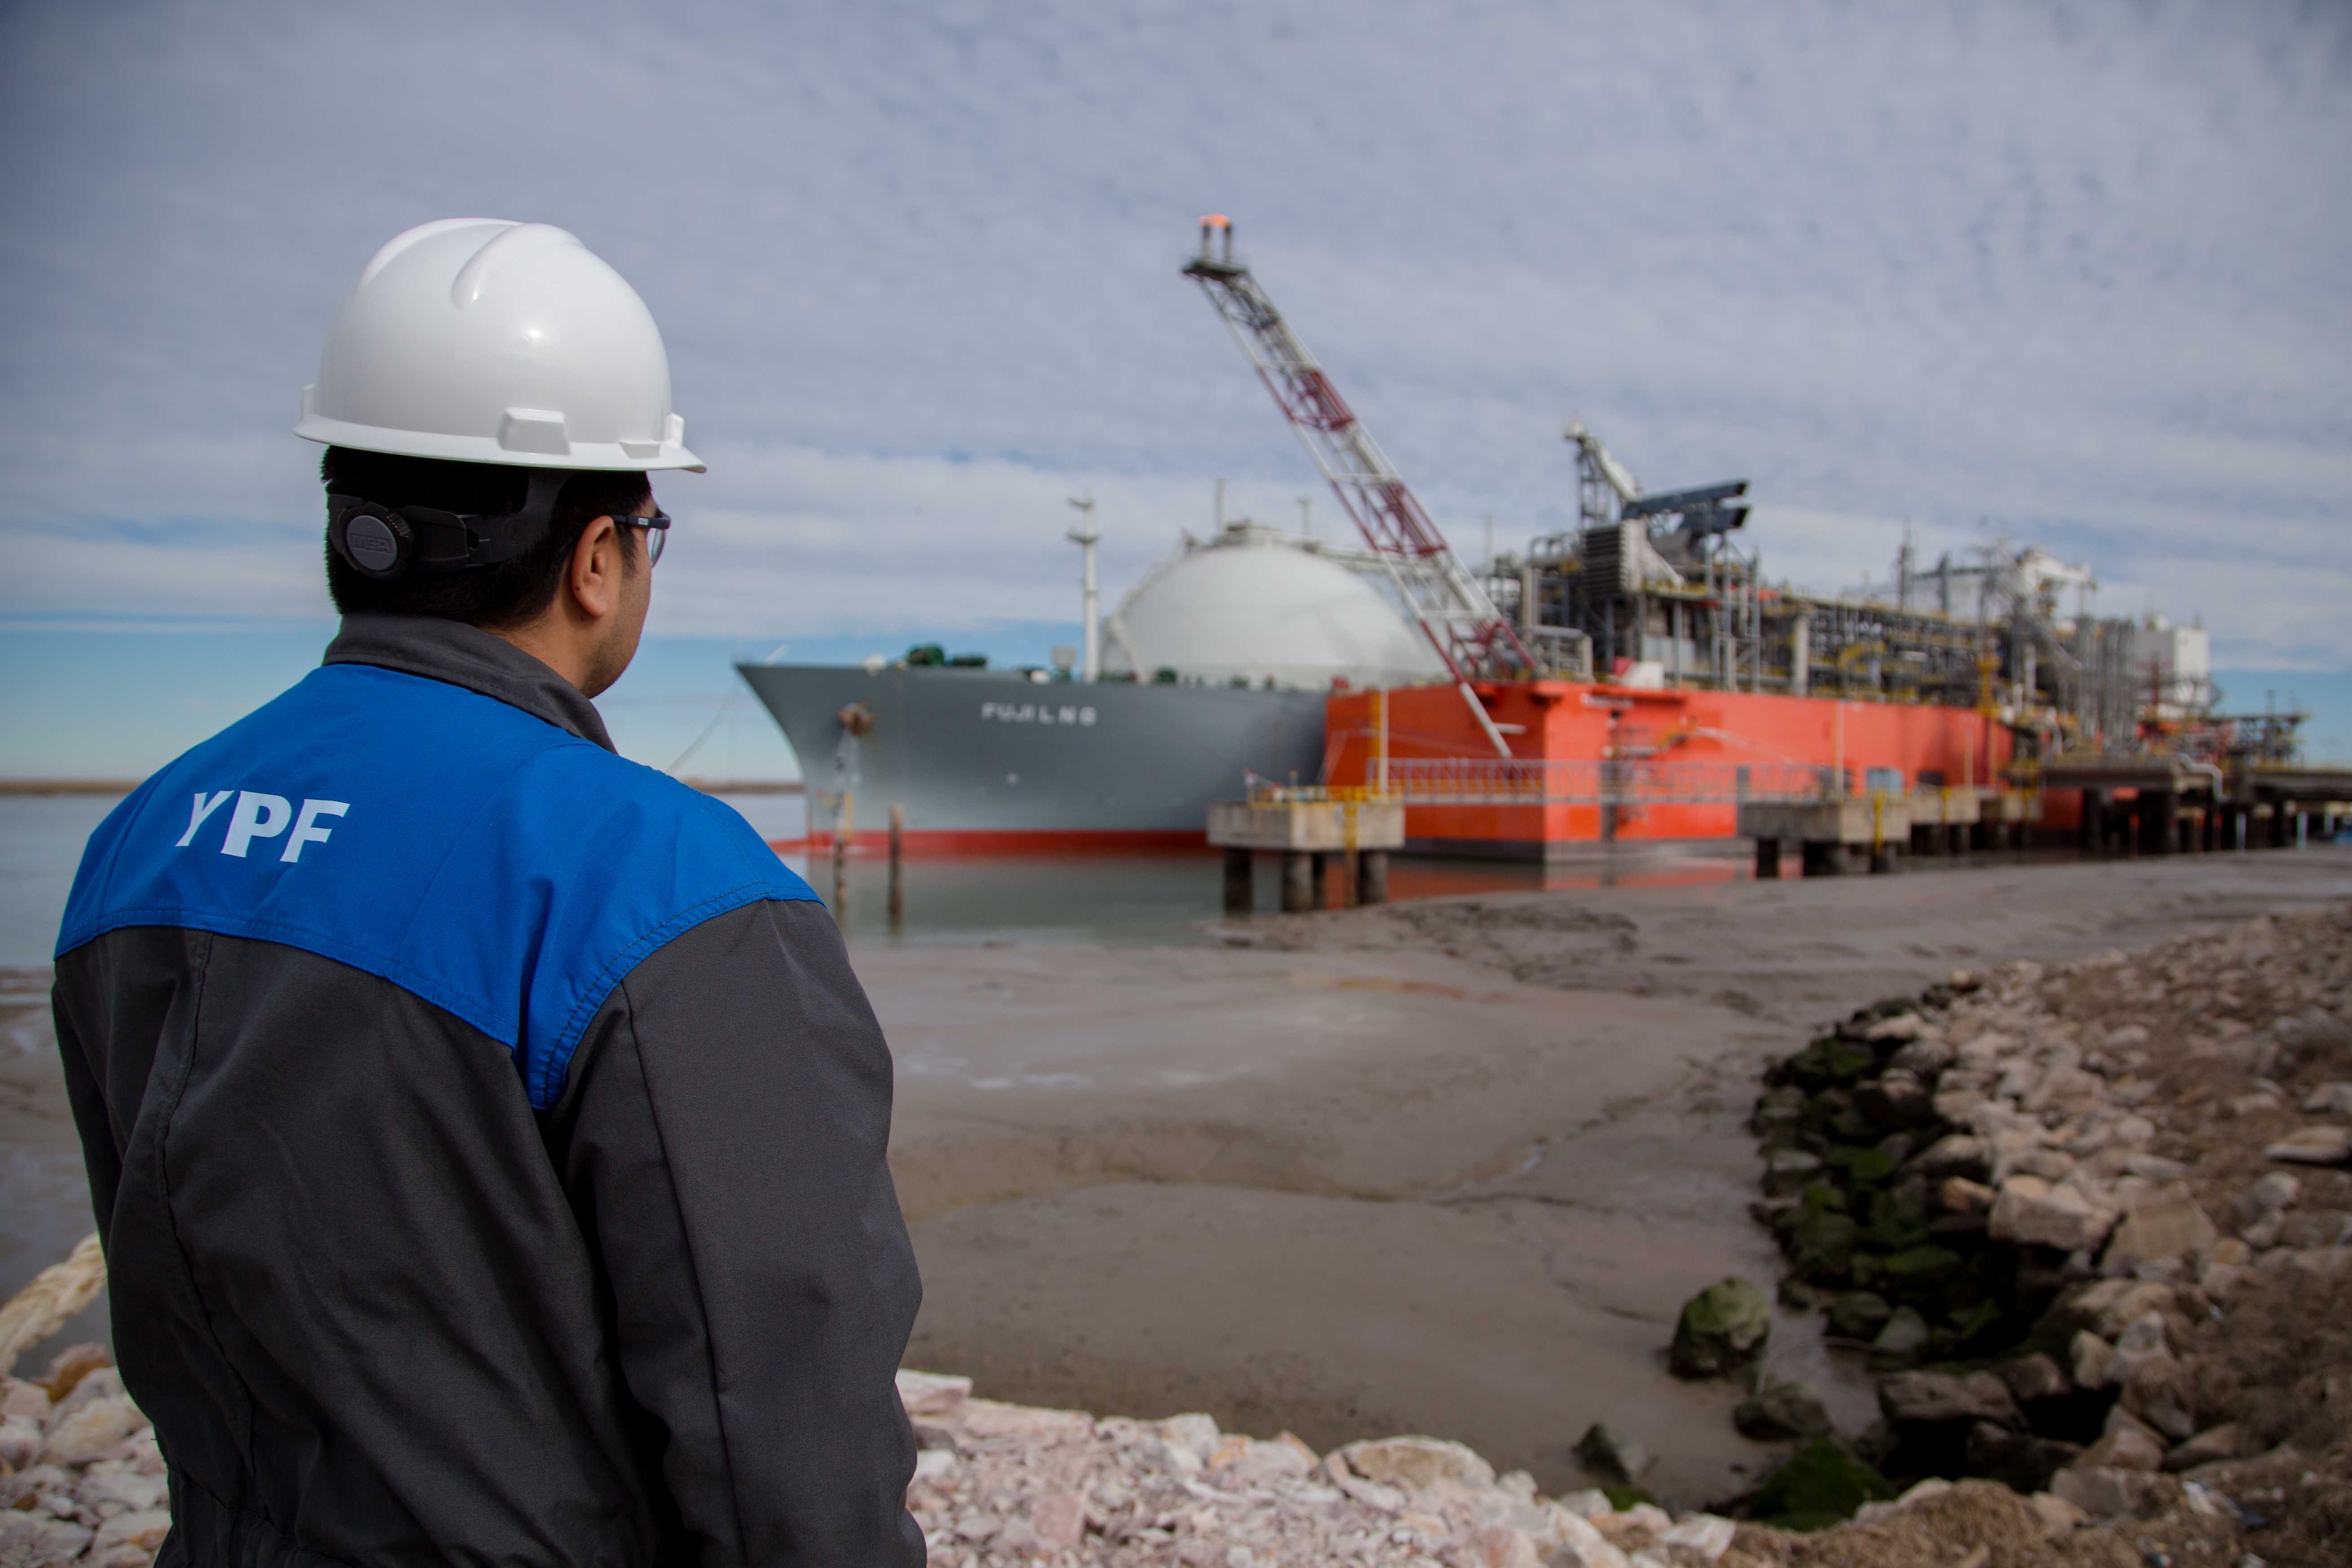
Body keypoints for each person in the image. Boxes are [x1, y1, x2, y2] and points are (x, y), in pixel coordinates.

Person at [50, 220, 924, 1564]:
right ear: (596, 555)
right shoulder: (663, 884)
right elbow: (785, 1432)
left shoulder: (140, 842)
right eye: (651, 528)